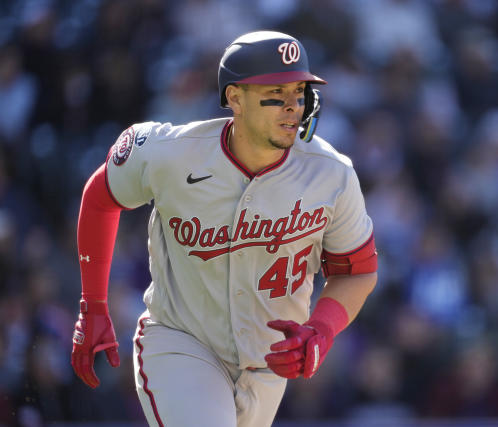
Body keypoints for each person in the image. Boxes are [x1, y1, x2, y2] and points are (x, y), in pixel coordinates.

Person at [70, 31, 378, 427]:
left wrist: (322, 330)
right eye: (276, 92)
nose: (292, 107)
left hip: (267, 366)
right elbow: (100, 196)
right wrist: (92, 305)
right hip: (181, 343)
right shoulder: (171, 152)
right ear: (235, 98)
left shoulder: (332, 174)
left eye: (300, 92)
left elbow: (358, 271)